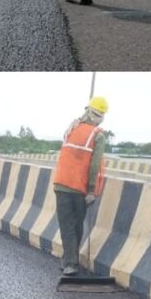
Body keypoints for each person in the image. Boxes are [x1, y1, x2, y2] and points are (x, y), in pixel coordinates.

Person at [53, 96, 108, 276]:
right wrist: (92, 190)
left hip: (61, 184)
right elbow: (95, 165)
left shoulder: (72, 128)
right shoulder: (98, 135)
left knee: (68, 224)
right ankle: (71, 262)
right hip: (79, 188)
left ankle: (69, 259)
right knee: (76, 224)